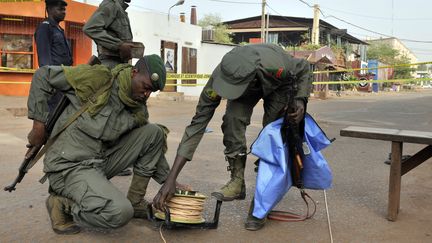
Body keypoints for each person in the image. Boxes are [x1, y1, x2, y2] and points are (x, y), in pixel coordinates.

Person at [153, 43, 312, 231]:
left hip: (279, 86)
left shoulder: (277, 66)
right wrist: (171, 178)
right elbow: (197, 125)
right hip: (248, 84)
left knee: (273, 138)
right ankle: (237, 181)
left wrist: (300, 99)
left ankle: (261, 203)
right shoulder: (221, 75)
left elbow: (304, 67)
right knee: (232, 121)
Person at [27, 55, 174, 234]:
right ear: (134, 72)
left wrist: (169, 180)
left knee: (154, 132)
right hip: (68, 166)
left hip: (98, 162)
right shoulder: (99, 79)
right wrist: (38, 126)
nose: (147, 94)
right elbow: (43, 76)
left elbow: (151, 146)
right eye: (146, 88)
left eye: (152, 92)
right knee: (119, 213)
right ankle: (62, 204)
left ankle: (136, 202)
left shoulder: (138, 106)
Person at [34, 0, 73, 111]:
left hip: (64, 82)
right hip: (54, 86)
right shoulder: (45, 28)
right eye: (60, 9)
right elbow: (44, 62)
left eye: (64, 9)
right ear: (49, 9)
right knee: (53, 119)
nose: (63, 12)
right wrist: (52, 86)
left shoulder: (59, 29)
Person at [83, 0, 135, 69]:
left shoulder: (120, 9)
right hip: (110, 64)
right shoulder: (111, 4)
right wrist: (119, 45)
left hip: (120, 63)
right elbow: (90, 28)